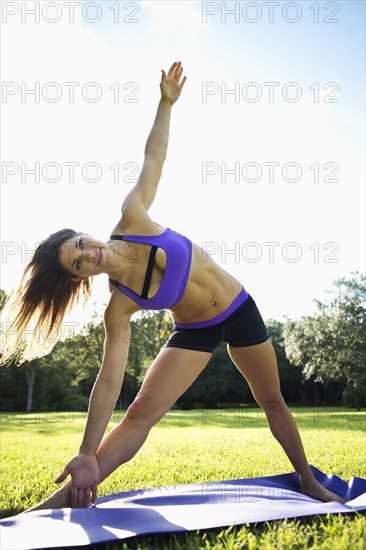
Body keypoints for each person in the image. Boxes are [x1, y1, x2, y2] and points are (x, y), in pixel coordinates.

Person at [1, 61, 344, 510]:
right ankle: (68, 494)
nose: (89, 254)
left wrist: (165, 103)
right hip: (195, 332)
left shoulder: (133, 218)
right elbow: (108, 381)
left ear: (85, 233)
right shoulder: (119, 307)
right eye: (78, 263)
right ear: (79, 277)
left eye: (81, 244)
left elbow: (154, 158)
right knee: (141, 412)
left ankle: (308, 481)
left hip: (239, 309)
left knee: (273, 401)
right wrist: (87, 450)